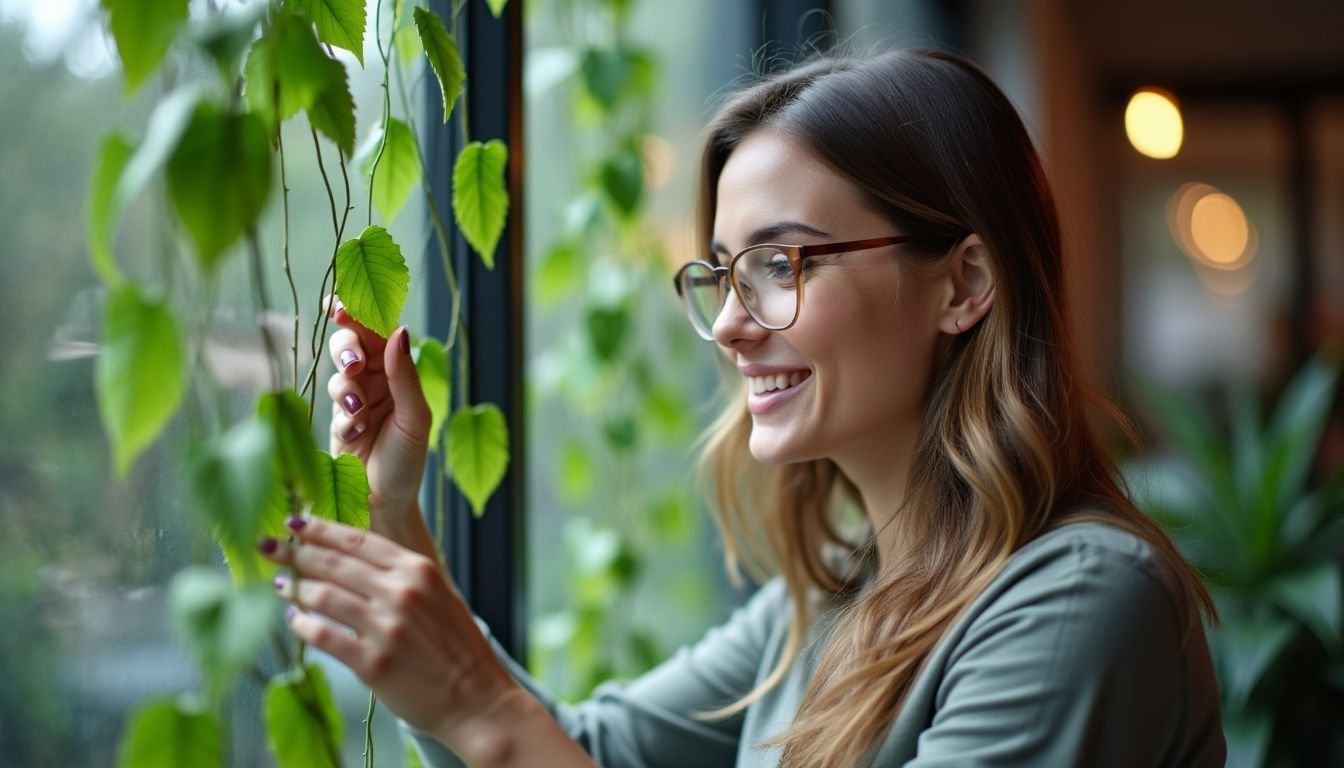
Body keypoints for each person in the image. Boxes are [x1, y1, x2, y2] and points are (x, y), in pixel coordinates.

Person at [259, 49, 1226, 767]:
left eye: (781, 263)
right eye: (723, 273)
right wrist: (395, 513)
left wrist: (477, 703)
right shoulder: (826, 605)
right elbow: (580, 748)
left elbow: (521, 739)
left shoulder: (1082, 601)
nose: (727, 325)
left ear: (963, 284)